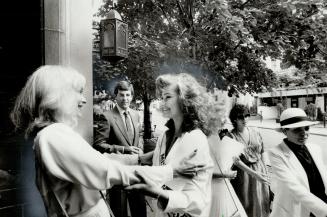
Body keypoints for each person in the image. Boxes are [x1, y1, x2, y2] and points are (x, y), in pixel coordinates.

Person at [10, 65, 195, 217]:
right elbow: (106, 170)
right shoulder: (53, 136)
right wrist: (170, 170)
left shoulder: (53, 135)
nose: (83, 101)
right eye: (78, 92)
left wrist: (140, 159)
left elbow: (97, 160)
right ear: (57, 96)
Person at [126, 73, 221, 217]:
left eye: (168, 97)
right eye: (162, 98)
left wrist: (157, 192)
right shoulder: (165, 136)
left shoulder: (195, 138)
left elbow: (198, 198)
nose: (162, 103)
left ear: (185, 100)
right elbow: (161, 167)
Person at [93, 81, 146, 217]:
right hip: (117, 174)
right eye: (121, 95)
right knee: (119, 212)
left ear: (132, 96)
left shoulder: (135, 114)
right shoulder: (107, 116)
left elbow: (139, 136)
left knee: (139, 211)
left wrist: (140, 149)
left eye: (128, 95)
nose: (125, 99)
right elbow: (99, 144)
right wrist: (124, 149)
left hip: (136, 172)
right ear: (115, 96)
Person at [268, 108, 327, 217]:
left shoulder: (315, 148)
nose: (304, 133)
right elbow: (294, 187)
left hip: (322, 201)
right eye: (297, 129)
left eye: (306, 128)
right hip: (298, 210)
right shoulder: (276, 153)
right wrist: (324, 210)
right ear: (284, 131)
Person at [229, 104, 270, 217]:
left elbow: (263, 151)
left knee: (262, 202)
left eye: (246, 116)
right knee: (246, 204)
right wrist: (254, 174)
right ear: (234, 119)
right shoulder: (231, 136)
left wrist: (265, 169)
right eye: (241, 117)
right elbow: (235, 160)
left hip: (260, 171)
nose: (245, 119)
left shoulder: (256, 132)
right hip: (244, 175)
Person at [208, 132, 248, 217]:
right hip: (212, 188)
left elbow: (233, 160)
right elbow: (206, 173)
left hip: (223, 185)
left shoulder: (221, 137)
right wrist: (226, 175)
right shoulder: (206, 142)